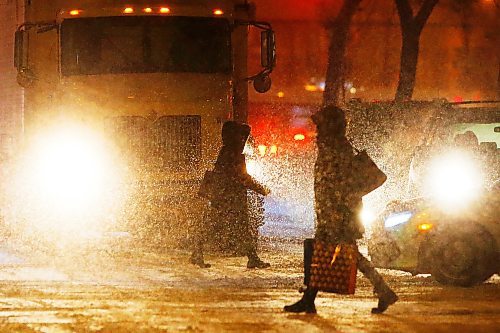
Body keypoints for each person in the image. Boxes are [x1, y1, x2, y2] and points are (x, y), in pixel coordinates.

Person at [284, 106, 398, 314]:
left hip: (338, 213)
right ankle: (310, 298)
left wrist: (339, 206)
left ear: (330, 126)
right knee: (328, 253)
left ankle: (382, 290)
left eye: (321, 125)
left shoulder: (337, 148)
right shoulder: (332, 145)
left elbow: (339, 183)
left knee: (341, 253)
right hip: (332, 211)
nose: (317, 129)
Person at [190, 121, 271, 269]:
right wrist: (261, 189)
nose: (243, 140)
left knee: (238, 227)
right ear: (233, 137)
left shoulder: (228, 151)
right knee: (220, 226)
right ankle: (197, 252)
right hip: (228, 197)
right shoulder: (232, 153)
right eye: (240, 137)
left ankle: (252, 258)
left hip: (226, 196)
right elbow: (242, 177)